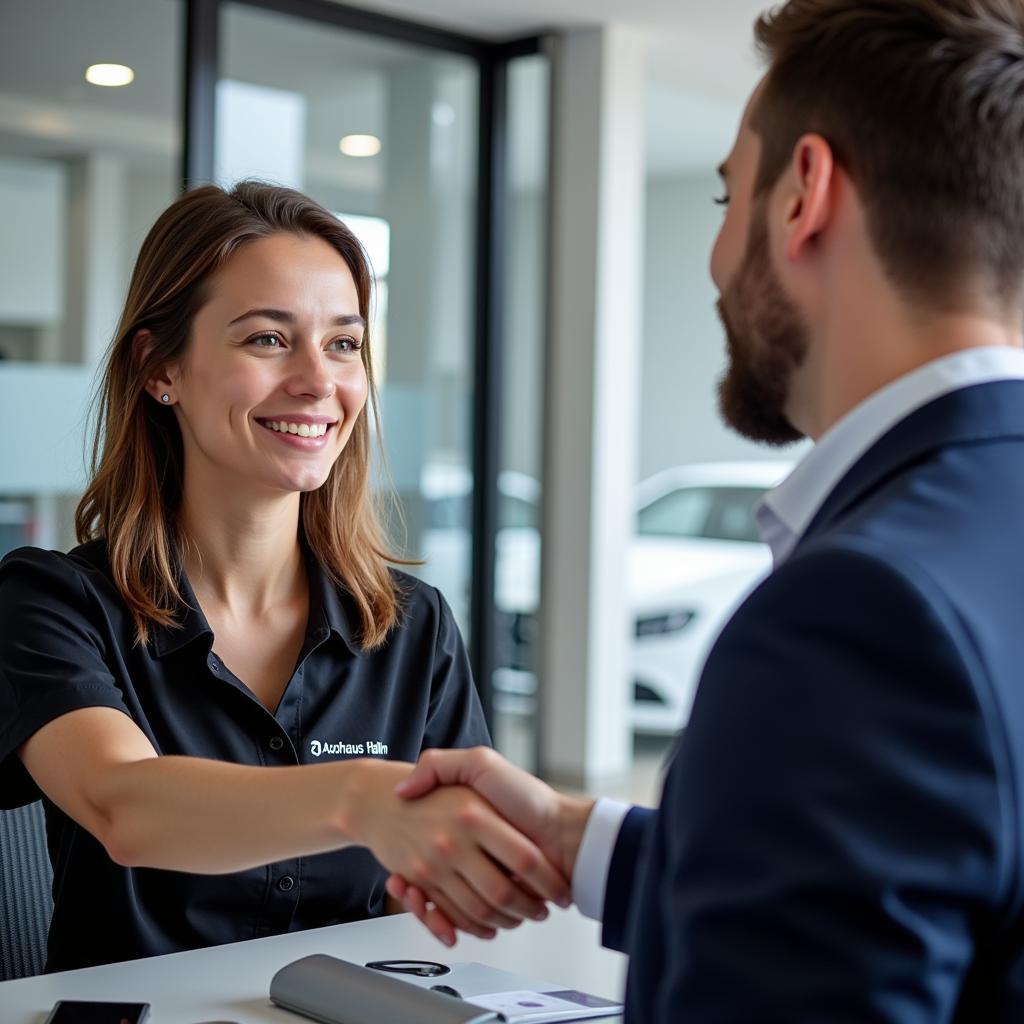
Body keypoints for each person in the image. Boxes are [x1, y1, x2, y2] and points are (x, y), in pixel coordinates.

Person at [387, 1, 1024, 1019]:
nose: (719, 259)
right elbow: (910, 904)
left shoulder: (860, 612)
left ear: (801, 194)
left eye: (728, 197)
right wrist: (576, 838)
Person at [0, 181, 568, 972]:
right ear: (161, 368)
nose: (317, 381)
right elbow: (122, 805)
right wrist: (362, 801)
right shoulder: (54, 603)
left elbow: (436, 900)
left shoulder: (413, 626)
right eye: (268, 339)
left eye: (343, 344)